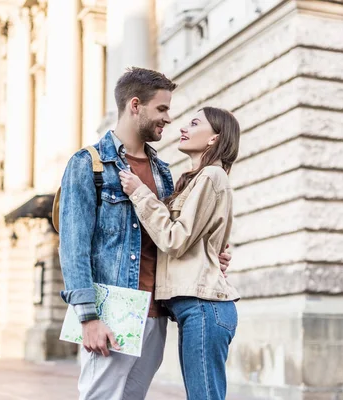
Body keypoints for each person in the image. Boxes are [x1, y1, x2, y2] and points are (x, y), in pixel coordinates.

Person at [58, 68, 232, 400]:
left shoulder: (163, 172)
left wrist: (211, 256)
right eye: (162, 109)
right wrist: (88, 317)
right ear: (135, 105)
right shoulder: (89, 163)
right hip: (111, 310)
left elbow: (171, 237)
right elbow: (73, 247)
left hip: (156, 312)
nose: (168, 119)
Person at [119, 107, 241, 400]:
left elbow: (174, 239)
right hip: (196, 309)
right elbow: (197, 241)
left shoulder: (212, 176)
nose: (184, 127)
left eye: (195, 123)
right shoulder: (198, 179)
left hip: (204, 308)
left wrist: (140, 194)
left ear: (214, 138)